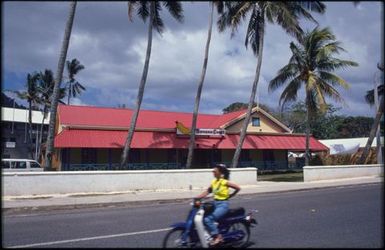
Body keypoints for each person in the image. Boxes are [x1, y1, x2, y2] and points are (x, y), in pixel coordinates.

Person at [195, 164, 241, 246]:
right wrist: (197, 197)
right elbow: (207, 192)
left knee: (208, 219)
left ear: (220, 173)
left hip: (223, 205)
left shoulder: (224, 182)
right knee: (202, 217)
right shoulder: (214, 182)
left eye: (215, 171)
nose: (213, 172)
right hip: (215, 203)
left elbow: (238, 188)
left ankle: (218, 237)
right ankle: (211, 234)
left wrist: (231, 195)